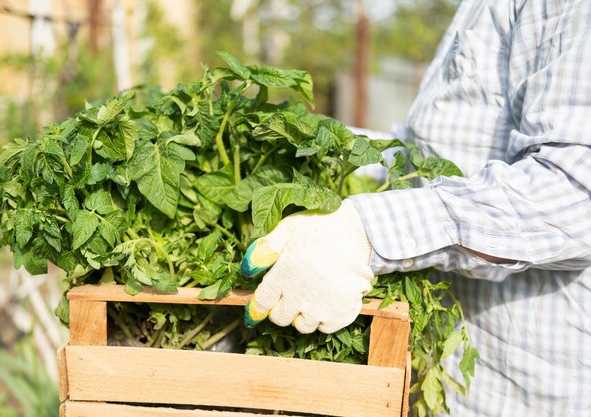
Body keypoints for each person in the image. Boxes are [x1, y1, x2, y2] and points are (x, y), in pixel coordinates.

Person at [239, 1, 591, 416]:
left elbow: (575, 189)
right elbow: (422, 160)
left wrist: (365, 234)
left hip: (528, 394)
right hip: (449, 381)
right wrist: (307, 149)